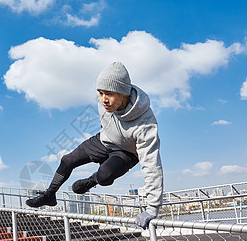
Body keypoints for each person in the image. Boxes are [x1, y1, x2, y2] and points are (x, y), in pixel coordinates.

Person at [26, 62, 164, 229]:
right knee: (67, 160)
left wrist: (152, 209)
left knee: (105, 176)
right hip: (104, 140)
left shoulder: (145, 124)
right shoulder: (104, 103)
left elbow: (152, 165)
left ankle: (91, 180)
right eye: (100, 93)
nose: (104, 100)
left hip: (127, 152)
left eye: (109, 94)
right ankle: (49, 195)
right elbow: (105, 118)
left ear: (124, 93)